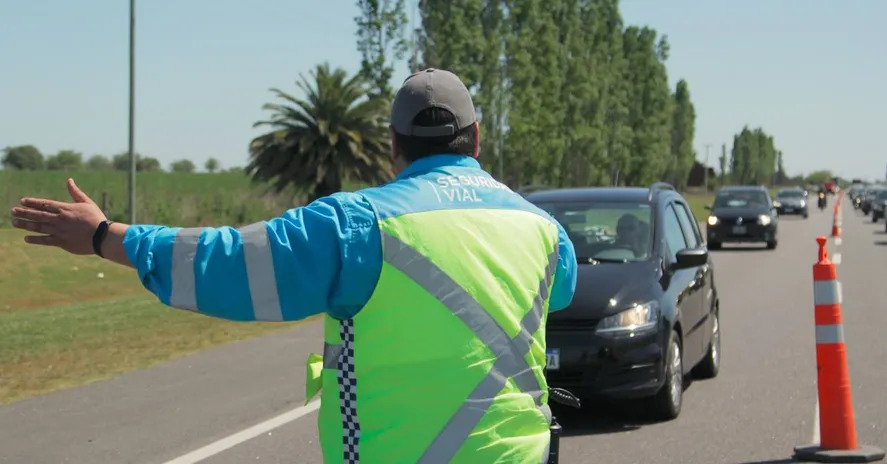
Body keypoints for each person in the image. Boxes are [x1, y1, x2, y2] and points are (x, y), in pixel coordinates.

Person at [9, 68, 578, 464]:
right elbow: (560, 293)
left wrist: (108, 237)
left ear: (392, 145)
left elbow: (228, 264)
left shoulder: (354, 225)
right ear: (476, 137)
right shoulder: (542, 229)